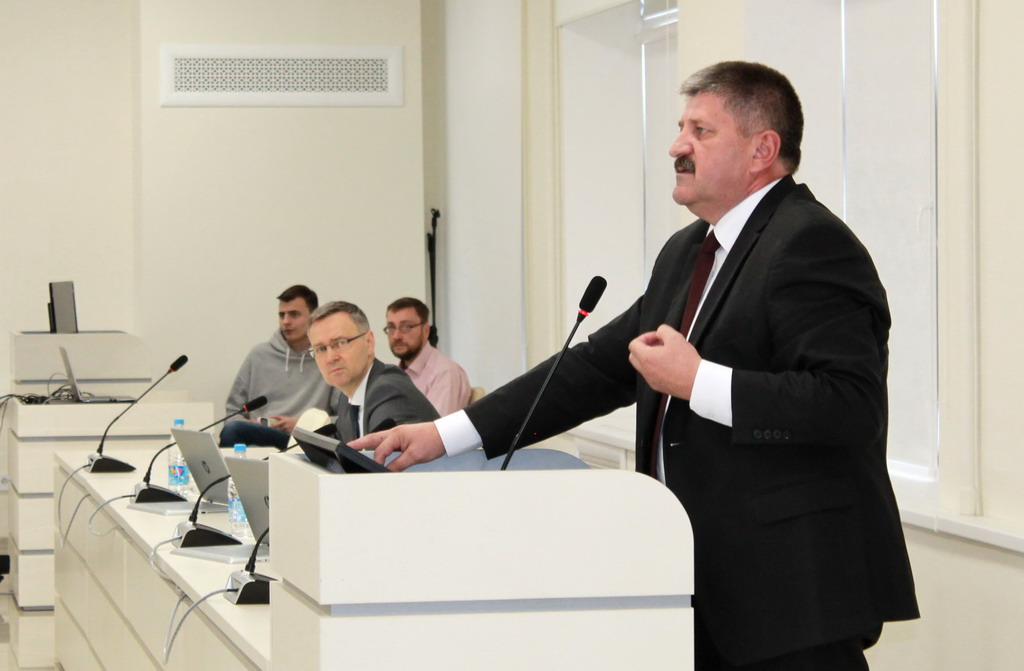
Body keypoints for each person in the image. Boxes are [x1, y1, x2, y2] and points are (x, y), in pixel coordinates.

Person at [352, 61, 919, 670]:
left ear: (762, 150)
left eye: (701, 131)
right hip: (693, 580)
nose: (677, 146)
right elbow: (594, 369)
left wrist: (699, 381)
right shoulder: (688, 250)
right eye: (680, 128)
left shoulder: (810, 242)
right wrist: (444, 434)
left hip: (791, 592)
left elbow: (849, 405)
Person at [220, 285, 338, 449]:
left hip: (303, 440)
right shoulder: (259, 355)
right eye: (282, 315)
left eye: (294, 314)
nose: (286, 322)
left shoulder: (328, 358)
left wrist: (302, 424)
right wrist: (251, 424)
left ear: (313, 317)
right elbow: (233, 411)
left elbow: (342, 420)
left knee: (235, 430)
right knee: (234, 429)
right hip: (260, 434)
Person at [307, 300, 438, 443]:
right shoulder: (346, 398)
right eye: (321, 349)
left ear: (369, 342)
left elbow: (382, 456)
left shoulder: (387, 391)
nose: (330, 358)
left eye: (340, 343)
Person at [384, 297, 471, 415]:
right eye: (391, 327)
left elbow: (434, 424)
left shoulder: (445, 373)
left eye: (406, 327)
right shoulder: (392, 374)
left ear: (426, 331)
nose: (396, 336)